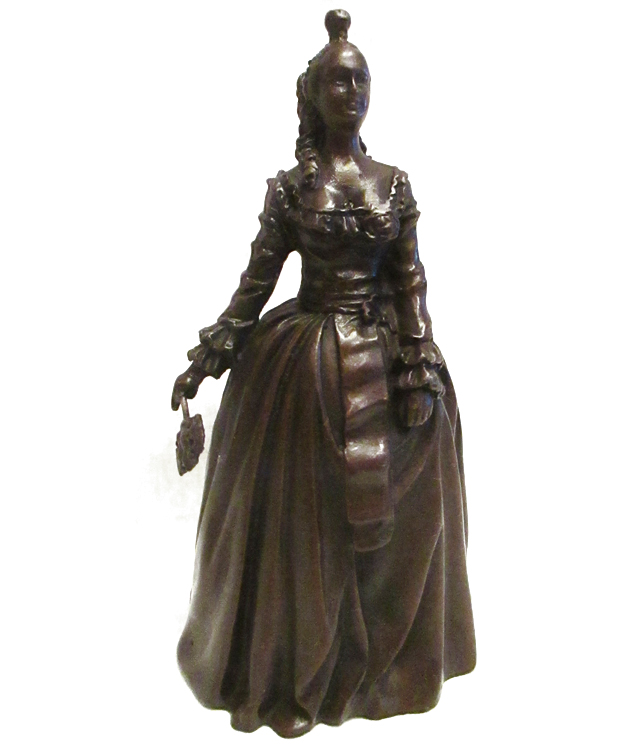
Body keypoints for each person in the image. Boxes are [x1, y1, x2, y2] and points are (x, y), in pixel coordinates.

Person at [171, 10, 476, 738]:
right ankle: (300, 661)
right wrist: (209, 358)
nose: (352, 91)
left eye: (361, 78)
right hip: (304, 368)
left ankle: (388, 666)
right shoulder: (290, 189)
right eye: (338, 80)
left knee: (409, 504)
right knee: (303, 516)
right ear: (312, 95)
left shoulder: (393, 183)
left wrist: (418, 360)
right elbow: (255, 285)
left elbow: (410, 279)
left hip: (387, 356)